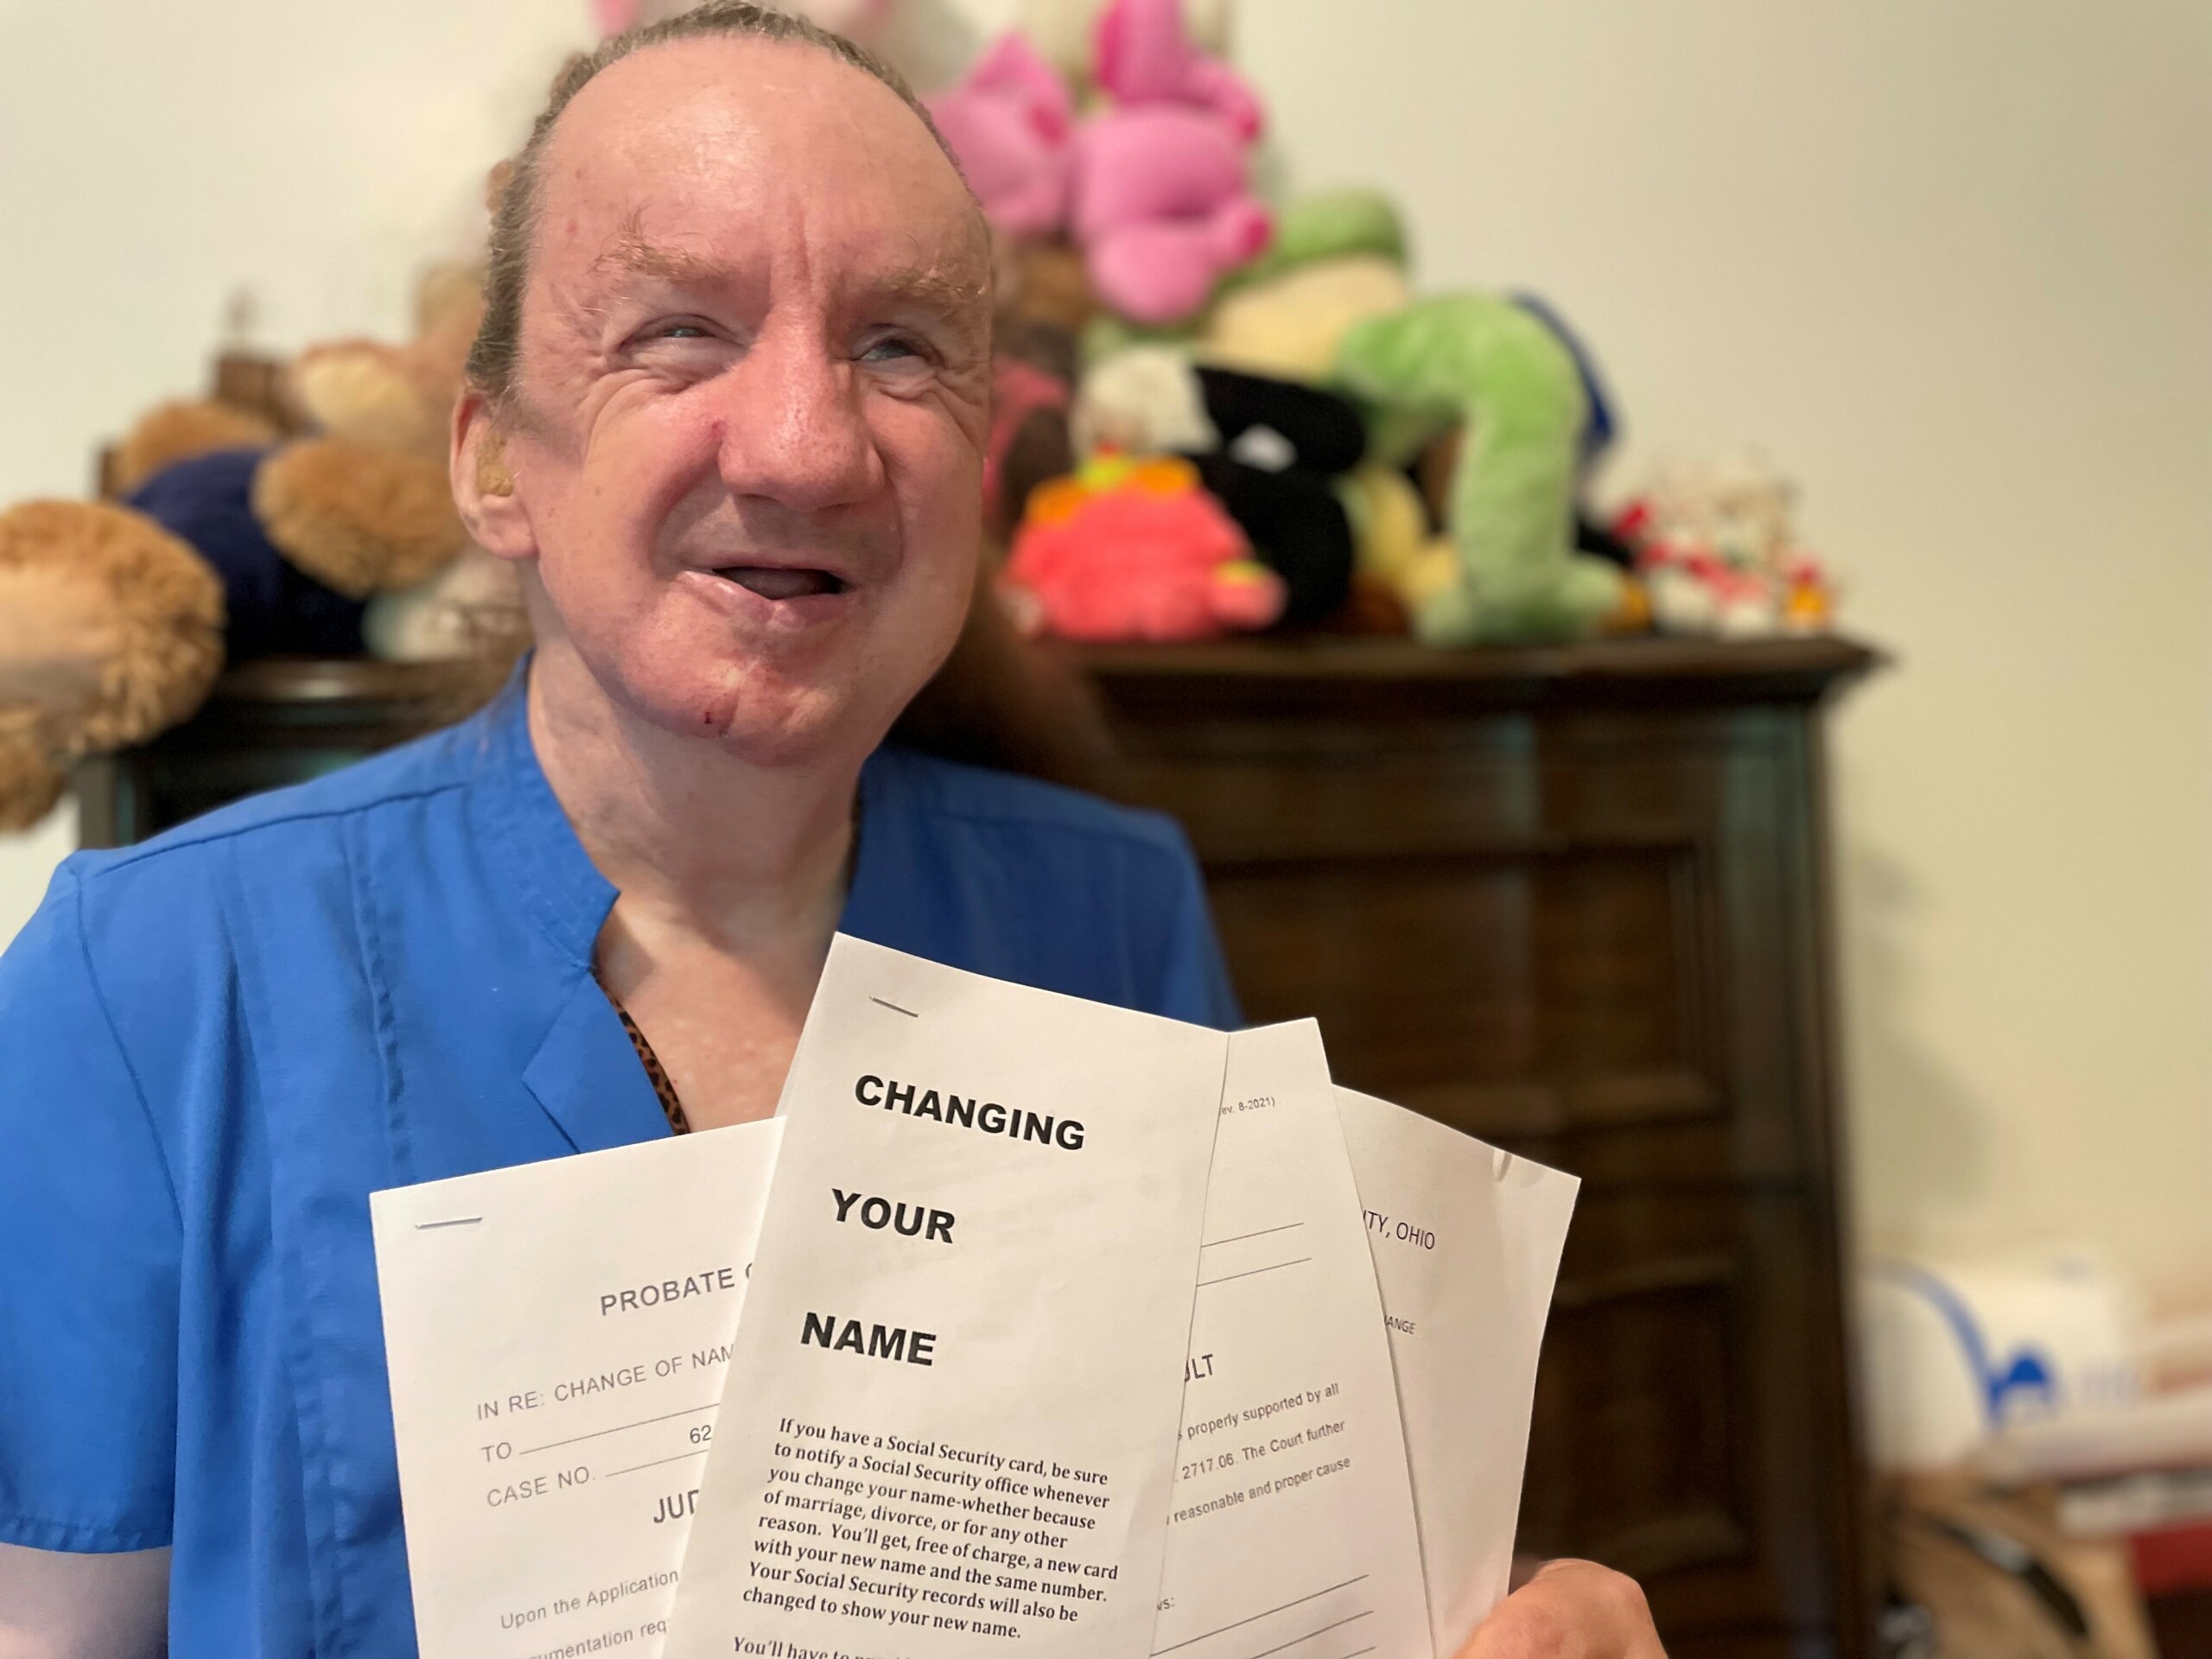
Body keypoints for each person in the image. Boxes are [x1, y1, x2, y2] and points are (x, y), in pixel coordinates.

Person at [0, 8, 1664, 1656]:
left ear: (980, 471)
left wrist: (1500, 1624)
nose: (805, 446)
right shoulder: (150, 983)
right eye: (678, 331)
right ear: (492, 455)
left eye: (898, 347)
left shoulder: (1113, 911)